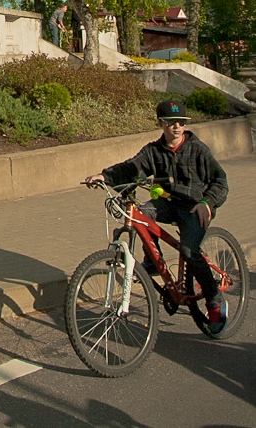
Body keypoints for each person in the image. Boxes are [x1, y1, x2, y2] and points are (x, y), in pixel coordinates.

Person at [87, 99, 229, 334]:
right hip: (168, 204)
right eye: (171, 122)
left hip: (195, 207)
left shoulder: (198, 150)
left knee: (188, 251)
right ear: (161, 123)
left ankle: (213, 299)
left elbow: (220, 180)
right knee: (140, 213)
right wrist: (104, 176)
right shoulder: (154, 151)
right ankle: (153, 261)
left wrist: (207, 202)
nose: (176, 127)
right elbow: (131, 167)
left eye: (181, 122)